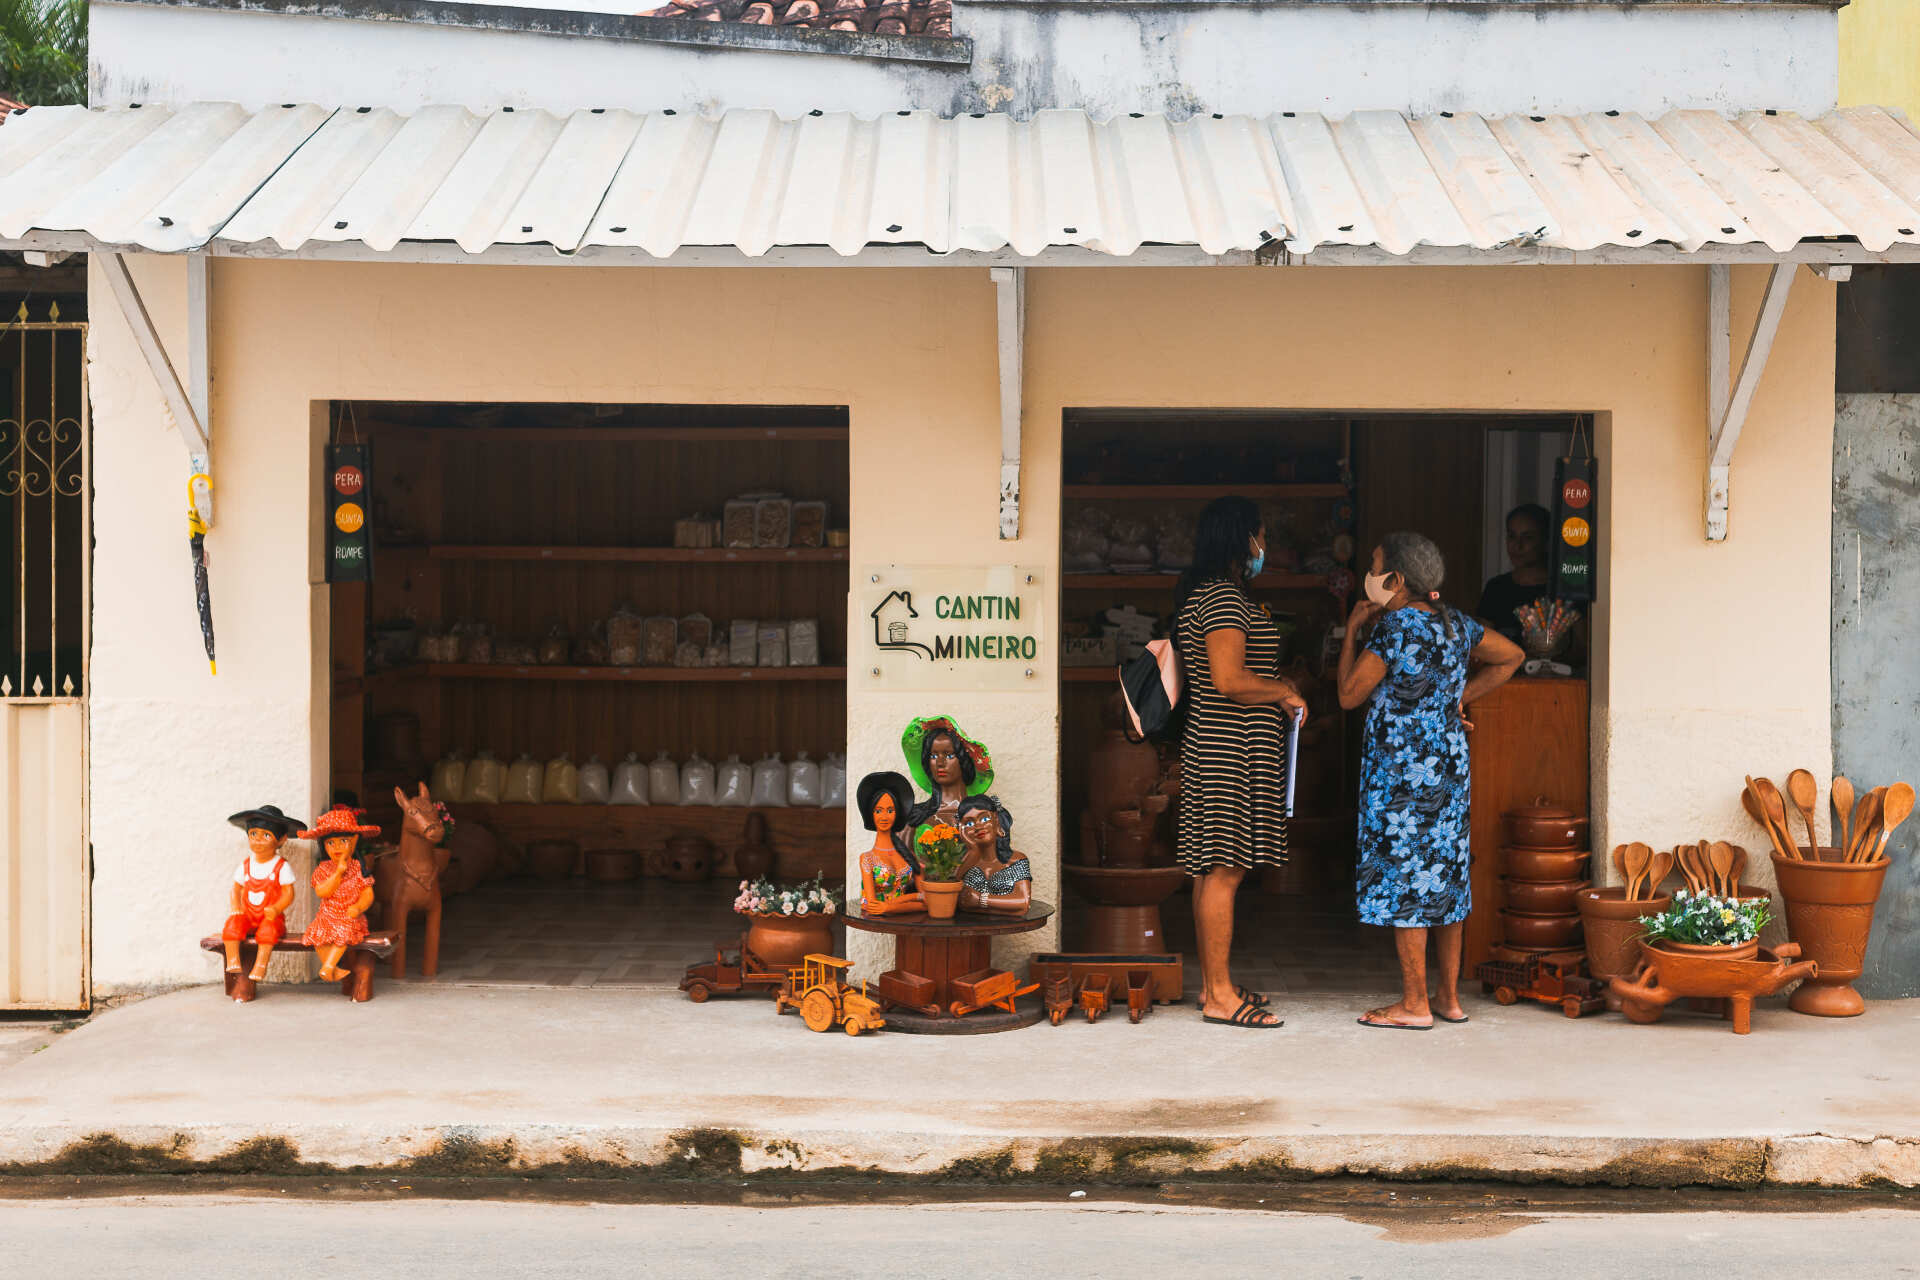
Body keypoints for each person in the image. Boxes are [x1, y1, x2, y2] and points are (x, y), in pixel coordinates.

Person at [1338, 532, 1524, 1030]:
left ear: (1396, 579)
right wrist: (1459, 697)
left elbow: (1349, 695)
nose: (1370, 575)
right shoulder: (1456, 623)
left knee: (1406, 878)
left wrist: (1352, 631)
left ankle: (1414, 1004)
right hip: (1447, 764)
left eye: (1375, 566)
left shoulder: (1393, 627)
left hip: (1400, 770)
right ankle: (1448, 998)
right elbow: (1511, 657)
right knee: (1444, 874)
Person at [1173, 496, 1309, 1030]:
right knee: (1225, 870)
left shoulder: (1207, 593)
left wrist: (1278, 689)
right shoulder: (1224, 598)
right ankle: (1220, 996)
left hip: (1217, 746)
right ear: (1242, 539)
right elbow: (1228, 679)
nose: (1264, 546)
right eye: (1261, 535)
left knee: (1211, 869)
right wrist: (1284, 691)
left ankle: (1214, 985)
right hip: (1229, 750)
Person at [220, 804, 305, 982]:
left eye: (266, 835)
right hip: (248, 916)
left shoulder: (281, 866)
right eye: (253, 834)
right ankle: (233, 960)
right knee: (232, 925)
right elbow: (236, 888)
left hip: (271, 918)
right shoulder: (246, 865)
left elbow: (288, 893)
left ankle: (260, 965)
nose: (258, 840)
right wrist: (236, 907)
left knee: (268, 932)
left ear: (281, 840)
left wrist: (276, 908)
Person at [298, 805, 381, 982]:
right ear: (324, 845)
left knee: (345, 928)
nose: (337, 847)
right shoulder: (323, 869)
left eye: (343, 841)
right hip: (327, 915)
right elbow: (322, 892)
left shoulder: (358, 868)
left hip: (350, 915)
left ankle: (327, 967)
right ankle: (332, 969)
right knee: (317, 933)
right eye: (330, 843)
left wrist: (358, 907)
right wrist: (338, 873)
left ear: (354, 841)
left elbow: (368, 894)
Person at [1477, 503, 1553, 643]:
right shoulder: (1496, 588)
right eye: (1512, 536)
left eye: (1528, 537)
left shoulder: (1561, 591)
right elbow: (1483, 644)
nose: (1518, 546)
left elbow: (1583, 647)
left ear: (1546, 541)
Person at [856, 771, 924, 916]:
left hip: (905, 920)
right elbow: (873, 907)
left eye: (890, 810)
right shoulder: (867, 859)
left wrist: (889, 907)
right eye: (878, 811)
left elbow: (927, 903)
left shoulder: (909, 856)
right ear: (871, 814)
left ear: (897, 813)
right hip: (879, 921)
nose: (884, 817)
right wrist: (913, 897)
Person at [955, 794, 1033, 915]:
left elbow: (1023, 903)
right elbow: (957, 901)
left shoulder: (1016, 860)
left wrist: (980, 900)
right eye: (969, 824)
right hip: (970, 923)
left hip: (1006, 924)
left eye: (984, 819)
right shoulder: (964, 863)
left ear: (996, 820)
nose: (978, 827)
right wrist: (972, 851)